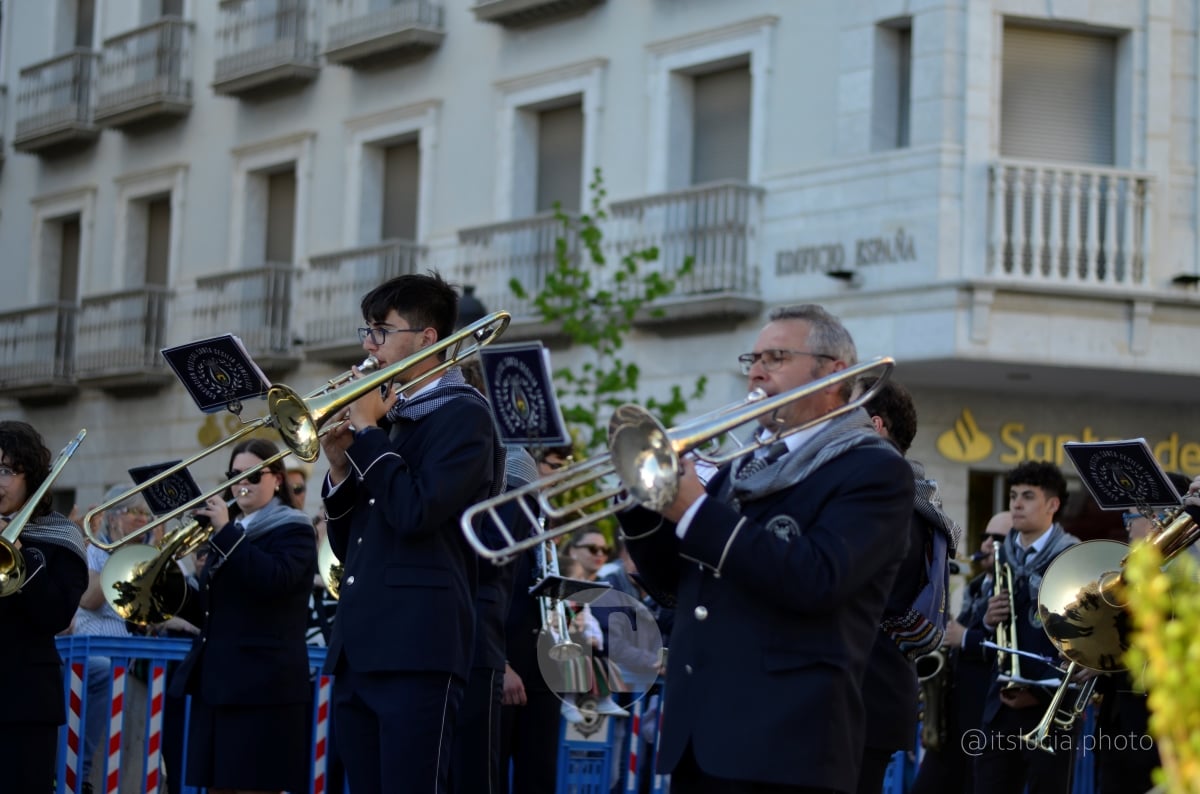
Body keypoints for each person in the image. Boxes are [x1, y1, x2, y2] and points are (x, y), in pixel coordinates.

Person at [619, 304, 915, 793]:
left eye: (776, 357)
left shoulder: (873, 470)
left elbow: (817, 579)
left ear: (833, 372)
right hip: (700, 738)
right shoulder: (744, 466)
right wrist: (641, 510)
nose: (756, 371)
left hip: (786, 746)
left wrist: (695, 510)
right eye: (752, 358)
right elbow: (678, 585)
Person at [319, 272, 503, 794]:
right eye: (367, 331)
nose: (367, 345)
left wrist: (372, 434)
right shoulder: (389, 415)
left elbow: (417, 512)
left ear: (427, 338)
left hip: (419, 647)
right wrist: (337, 469)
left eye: (382, 330)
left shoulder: (466, 416)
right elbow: (350, 544)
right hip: (362, 644)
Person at [168, 437, 317, 794]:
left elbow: (274, 580)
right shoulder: (233, 532)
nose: (242, 483)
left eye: (253, 474)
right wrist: (166, 586)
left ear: (277, 479)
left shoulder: (294, 528)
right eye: (236, 475)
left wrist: (226, 531)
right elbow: (212, 607)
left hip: (263, 687)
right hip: (221, 685)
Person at [853, 377, 962, 794]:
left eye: (848, 419)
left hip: (864, 690)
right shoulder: (914, 500)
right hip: (876, 689)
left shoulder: (891, 500)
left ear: (877, 426)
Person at [973, 461, 1080, 794]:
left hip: (1050, 708)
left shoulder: (1073, 555)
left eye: (1028, 496)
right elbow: (985, 627)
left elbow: (1081, 638)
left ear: (1052, 505)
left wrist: (1036, 692)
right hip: (1000, 705)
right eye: (1013, 496)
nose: (1016, 504)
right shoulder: (1001, 554)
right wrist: (987, 619)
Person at [0, 421, 89, 792]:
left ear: (31, 476)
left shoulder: (60, 537)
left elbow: (56, 616)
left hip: (23, 701)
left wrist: (22, 557)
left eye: (6, 470)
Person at [910, 510, 1011, 794]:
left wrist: (966, 638)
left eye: (999, 539)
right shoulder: (978, 586)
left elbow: (1008, 651)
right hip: (953, 716)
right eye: (985, 537)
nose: (988, 544)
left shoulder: (1014, 587)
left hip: (983, 718)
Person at [73, 487, 150, 791]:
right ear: (113, 516)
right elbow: (90, 599)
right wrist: (116, 558)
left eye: (145, 514)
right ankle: (82, 771)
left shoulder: (141, 558)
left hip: (125, 658)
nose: (141, 520)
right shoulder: (94, 549)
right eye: (134, 513)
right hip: (93, 655)